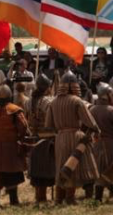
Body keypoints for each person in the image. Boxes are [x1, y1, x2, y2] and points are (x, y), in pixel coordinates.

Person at [46, 70, 100, 205]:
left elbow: (48, 124)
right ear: (74, 86)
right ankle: (69, 198)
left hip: (59, 137)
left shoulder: (53, 102)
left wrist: (59, 132)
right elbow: (88, 120)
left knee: (61, 167)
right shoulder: (77, 101)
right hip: (75, 136)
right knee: (72, 166)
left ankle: (59, 198)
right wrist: (96, 129)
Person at [27, 74, 55, 205]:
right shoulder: (47, 101)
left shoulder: (29, 101)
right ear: (47, 87)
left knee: (37, 169)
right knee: (45, 169)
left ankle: (39, 196)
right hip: (47, 138)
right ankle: (42, 197)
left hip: (34, 137)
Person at [90, 83, 113, 201]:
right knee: (109, 169)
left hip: (96, 143)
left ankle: (98, 198)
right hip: (109, 144)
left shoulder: (92, 110)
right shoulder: (111, 110)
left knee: (99, 170)